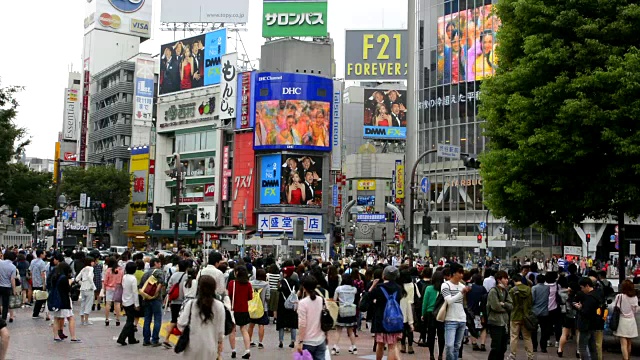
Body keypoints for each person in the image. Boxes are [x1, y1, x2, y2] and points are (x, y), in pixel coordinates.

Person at [177, 275, 225, 359]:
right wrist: (220, 342)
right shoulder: (219, 306)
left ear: (199, 287)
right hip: (211, 348)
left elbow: (181, 323)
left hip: (192, 347)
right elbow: (220, 331)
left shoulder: (191, 304)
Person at [370, 266, 404, 360]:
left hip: (380, 319)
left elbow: (368, 298)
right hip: (393, 319)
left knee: (380, 345)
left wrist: (372, 286)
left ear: (384, 275)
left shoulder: (379, 288)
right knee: (392, 346)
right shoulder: (398, 288)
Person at [441, 263, 469, 360]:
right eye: (459, 273)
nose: (461, 275)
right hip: (450, 319)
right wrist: (461, 293)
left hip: (462, 319)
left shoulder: (462, 286)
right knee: (449, 346)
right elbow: (449, 301)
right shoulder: (445, 285)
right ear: (453, 273)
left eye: (462, 273)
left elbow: (463, 303)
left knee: (457, 347)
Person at [296, 275, 327, 360]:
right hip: (321, 339)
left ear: (304, 288)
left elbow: (302, 324)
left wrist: (300, 341)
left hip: (307, 341)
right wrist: (326, 336)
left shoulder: (303, 303)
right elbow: (325, 319)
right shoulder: (322, 300)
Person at [51, 262, 81, 342]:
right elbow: (68, 290)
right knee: (71, 318)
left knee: (56, 318)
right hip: (64, 300)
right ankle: (73, 337)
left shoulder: (55, 277)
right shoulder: (63, 278)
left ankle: (56, 336)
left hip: (56, 301)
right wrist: (70, 283)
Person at [228, 265, 253, 359]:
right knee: (244, 329)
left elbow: (229, 295)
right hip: (244, 309)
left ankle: (233, 350)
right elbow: (250, 297)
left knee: (232, 330)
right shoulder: (248, 284)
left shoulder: (232, 283)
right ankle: (247, 350)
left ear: (236, 273)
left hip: (233, 309)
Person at [486, 270, 512, 360]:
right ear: (499, 280)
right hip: (495, 322)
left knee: (503, 347)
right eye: (505, 278)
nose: (506, 281)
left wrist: (503, 304)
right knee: (496, 347)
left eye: (507, 279)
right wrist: (504, 307)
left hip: (504, 322)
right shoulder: (493, 291)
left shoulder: (505, 291)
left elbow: (511, 305)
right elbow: (495, 306)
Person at [163, 259, 189, 348]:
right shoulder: (187, 277)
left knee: (173, 320)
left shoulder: (173, 276)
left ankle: (166, 338)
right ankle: (184, 341)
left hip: (174, 301)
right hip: (184, 302)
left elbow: (168, 288)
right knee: (185, 321)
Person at [139, 258, 165, 347]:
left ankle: (146, 340)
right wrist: (155, 293)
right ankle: (155, 340)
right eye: (159, 263)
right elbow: (161, 283)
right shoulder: (159, 272)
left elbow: (141, 286)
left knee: (147, 319)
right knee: (157, 318)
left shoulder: (145, 273)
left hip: (146, 299)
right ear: (155, 263)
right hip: (156, 299)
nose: (160, 264)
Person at [574, 277, 602, 360]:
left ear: (587, 286)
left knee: (582, 347)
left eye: (582, 287)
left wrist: (579, 308)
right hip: (594, 324)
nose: (582, 290)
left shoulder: (589, 298)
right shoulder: (597, 294)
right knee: (592, 346)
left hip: (585, 324)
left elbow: (586, 312)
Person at [509, 272, 534, 360]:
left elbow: (510, 303)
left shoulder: (512, 290)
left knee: (514, 336)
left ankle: (512, 355)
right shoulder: (528, 289)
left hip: (515, 315)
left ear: (513, 280)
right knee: (527, 337)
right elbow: (531, 303)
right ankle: (530, 356)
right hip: (526, 316)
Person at [332, 273, 358, 355]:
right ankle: (354, 347)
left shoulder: (339, 289)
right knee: (350, 330)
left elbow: (334, 299)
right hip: (351, 311)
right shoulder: (354, 289)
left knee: (338, 330)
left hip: (342, 310)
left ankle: (335, 347)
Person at [613, 280, 638, 360]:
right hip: (631, 321)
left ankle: (625, 358)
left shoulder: (619, 296)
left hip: (622, 320)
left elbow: (616, 307)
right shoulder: (634, 297)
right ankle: (628, 357)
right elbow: (635, 310)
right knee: (629, 343)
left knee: (623, 344)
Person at [423, 270, 445, 360]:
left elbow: (425, 302)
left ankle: (431, 354)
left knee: (431, 334)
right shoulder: (444, 289)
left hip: (430, 313)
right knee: (441, 334)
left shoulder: (428, 288)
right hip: (441, 313)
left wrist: (422, 314)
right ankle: (440, 354)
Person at [117, 262, 140, 346]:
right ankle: (121, 338)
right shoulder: (133, 279)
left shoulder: (124, 277)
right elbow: (135, 292)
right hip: (131, 302)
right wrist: (137, 304)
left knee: (130, 320)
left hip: (125, 300)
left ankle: (131, 339)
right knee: (130, 322)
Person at [248, 268, 270, 348]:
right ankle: (260, 342)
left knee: (251, 325)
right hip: (263, 308)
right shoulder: (266, 284)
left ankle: (249, 341)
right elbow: (268, 297)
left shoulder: (250, 283)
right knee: (261, 325)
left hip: (252, 307)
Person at [467, 274, 488, 351]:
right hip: (481, 310)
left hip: (471, 310)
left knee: (473, 327)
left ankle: (474, 343)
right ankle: (483, 344)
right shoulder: (483, 288)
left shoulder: (470, 287)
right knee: (483, 327)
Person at [557, 276, 577, 357]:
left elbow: (559, 292)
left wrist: (567, 290)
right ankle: (578, 351)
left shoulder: (565, 295)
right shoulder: (578, 295)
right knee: (578, 334)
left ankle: (560, 350)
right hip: (577, 316)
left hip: (567, 316)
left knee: (564, 334)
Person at [75, 256, 96, 326]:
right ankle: (86, 320)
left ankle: (82, 320)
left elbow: (77, 278)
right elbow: (90, 277)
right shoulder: (91, 268)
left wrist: (82, 283)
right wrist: (93, 285)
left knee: (83, 304)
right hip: (89, 288)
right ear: (90, 262)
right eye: (93, 261)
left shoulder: (83, 269)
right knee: (88, 304)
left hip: (83, 288)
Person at [531, 274, 549, 352]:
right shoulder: (547, 288)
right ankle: (543, 347)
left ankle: (534, 346)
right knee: (544, 331)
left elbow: (532, 300)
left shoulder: (534, 288)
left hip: (535, 311)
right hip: (545, 312)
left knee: (534, 330)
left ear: (537, 280)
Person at [398, 270, 415, 354]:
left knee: (403, 329)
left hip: (401, 309)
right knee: (410, 328)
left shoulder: (400, 287)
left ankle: (403, 345)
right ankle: (410, 346)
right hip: (411, 305)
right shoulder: (412, 285)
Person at [103, 257, 123, 326]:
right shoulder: (120, 270)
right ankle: (117, 320)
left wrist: (104, 289)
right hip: (117, 288)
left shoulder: (108, 270)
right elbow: (122, 279)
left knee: (108, 304)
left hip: (109, 288)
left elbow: (105, 281)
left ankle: (107, 319)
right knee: (117, 304)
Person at [30, 250, 48, 318]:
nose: (45, 254)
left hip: (34, 282)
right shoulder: (42, 263)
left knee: (38, 298)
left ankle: (36, 313)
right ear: (41, 254)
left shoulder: (32, 261)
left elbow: (30, 271)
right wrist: (44, 284)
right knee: (40, 298)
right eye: (44, 253)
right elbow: (42, 274)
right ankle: (35, 313)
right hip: (40, 282)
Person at [0, 252, 17, 322]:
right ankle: (3, 319)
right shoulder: (13, 267)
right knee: (5, 304)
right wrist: (14, 289)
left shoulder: (0, 263)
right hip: (7, 287)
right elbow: (12, 279)